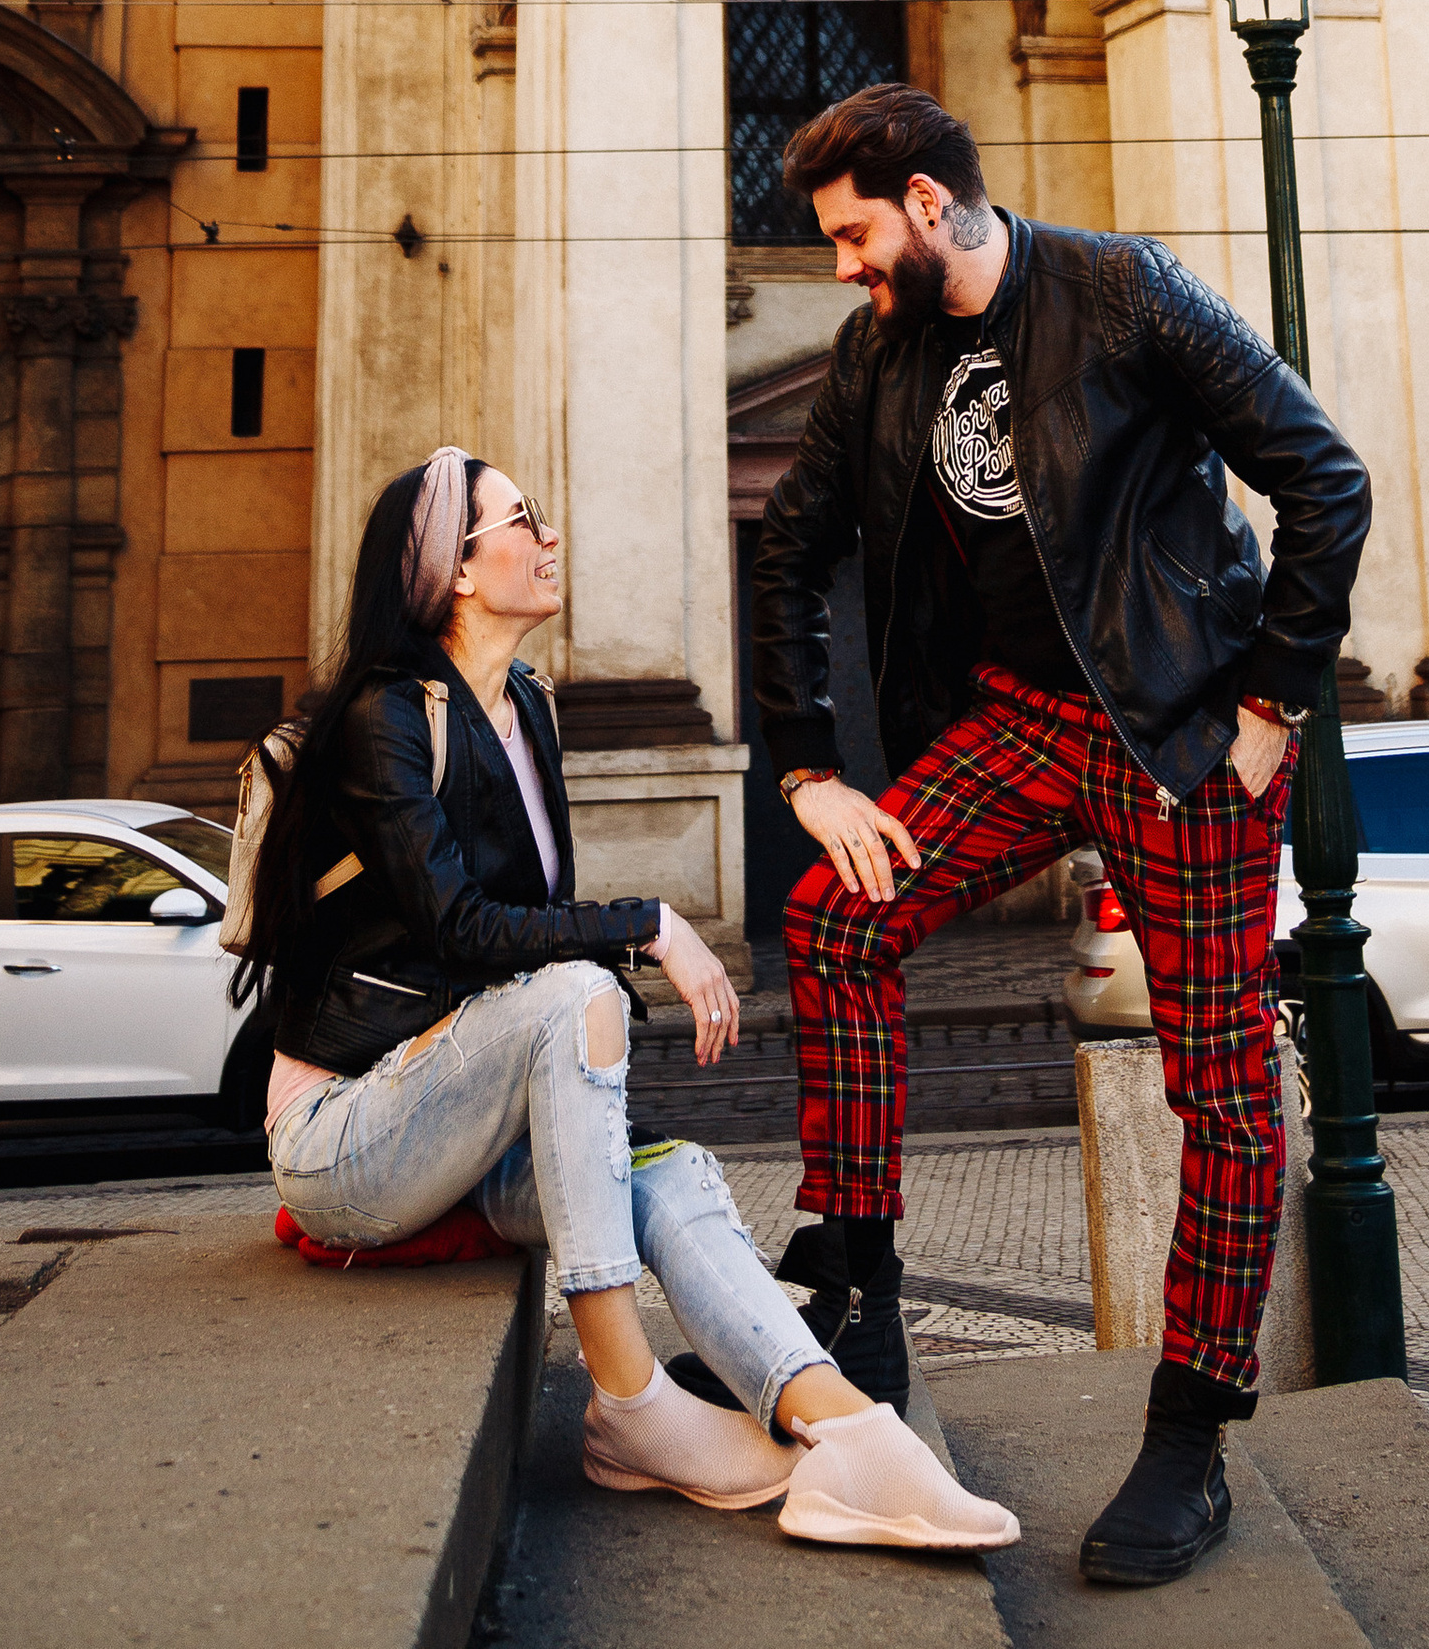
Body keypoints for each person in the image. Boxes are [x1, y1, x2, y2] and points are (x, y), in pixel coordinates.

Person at [749, 85, 1371, 1588]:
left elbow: (1323, 478)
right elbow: (793, 551)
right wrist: (811, 775)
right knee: (837, 920)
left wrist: (1272, 711)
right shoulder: (873, 357)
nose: (839, 266)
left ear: (928, 201)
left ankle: (1190, 1432)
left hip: (1179, 737)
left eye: (850, 235)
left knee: (1217, 1085)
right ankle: (865, 1288)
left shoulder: (1121, 290)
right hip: (1018, 723)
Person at [237, 443, 1017, 1554]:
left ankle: (839, 1427)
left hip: (464, 1119)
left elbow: (518, 946)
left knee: (676, 1170)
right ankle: (631, 1399)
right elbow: (462, 929)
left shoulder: (528, 710)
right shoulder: (387, 716)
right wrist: (647, 922)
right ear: (454, 570)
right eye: (523, 520)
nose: (549, 537)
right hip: (348, 1140)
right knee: (568, 994)